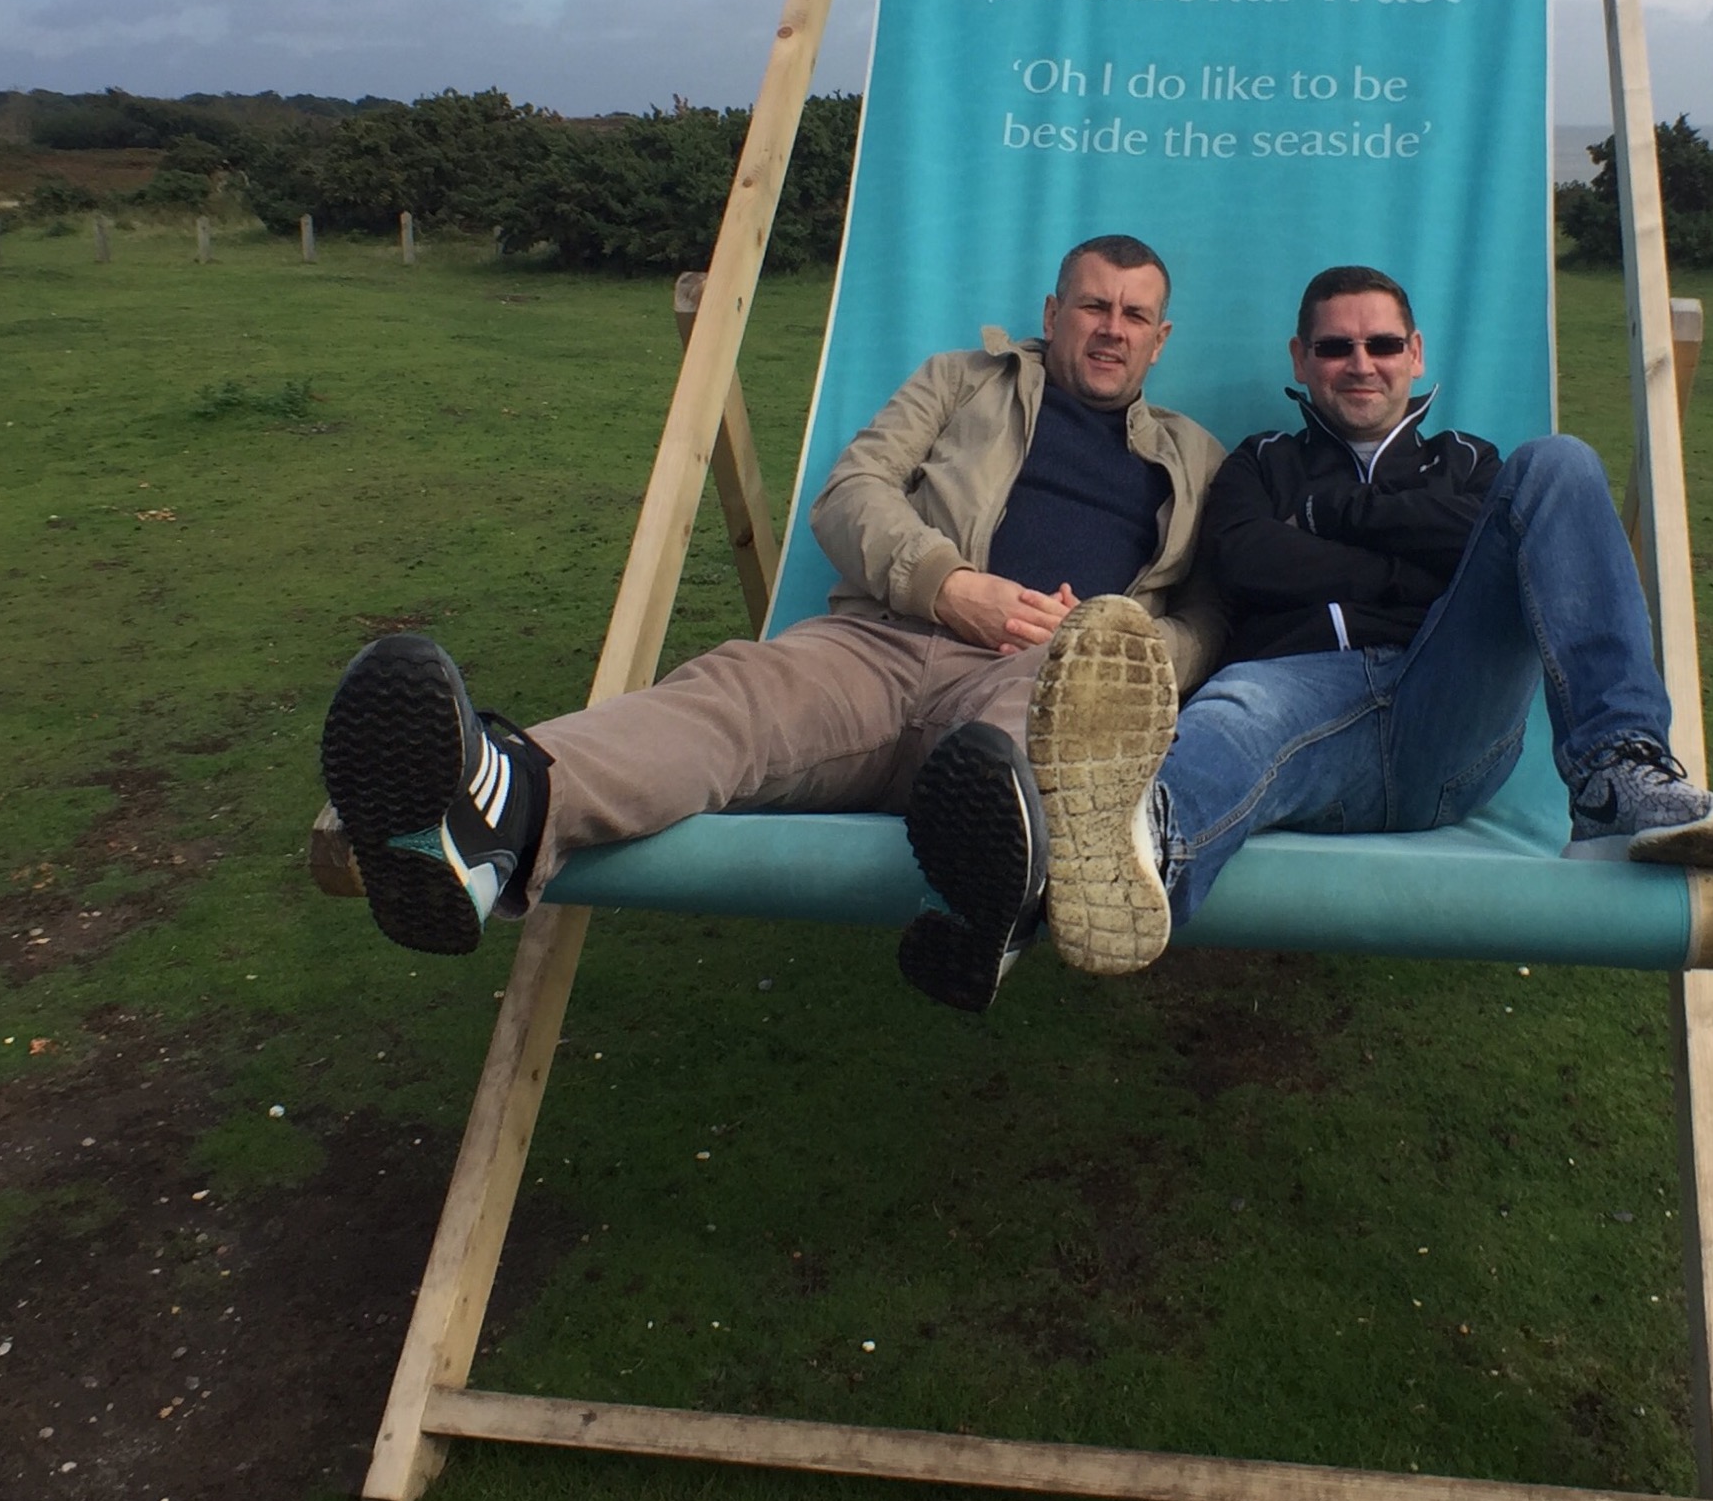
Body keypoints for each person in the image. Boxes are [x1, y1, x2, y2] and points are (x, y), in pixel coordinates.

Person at [316, 235, 1226, 1012]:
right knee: (736, 696)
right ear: (1053, 312)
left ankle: (987, 899)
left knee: (1026, 740)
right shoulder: (960, 381)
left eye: (1134, 315)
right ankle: (493, 814)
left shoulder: (1194, 458)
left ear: (1161, 340)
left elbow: (1213, 612)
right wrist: (949, 585)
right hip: (879, 643)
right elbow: (851, 493)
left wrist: (1114, 655)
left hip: (1045, 673)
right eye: (1093, 305)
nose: (1111, 328)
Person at [953, 262, 1713, 985]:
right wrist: (1413, 568)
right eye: (1335, 348)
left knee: (1562, 462)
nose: (1360, 363)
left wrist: (1324, 516)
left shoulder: (1474, 464)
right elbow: (1247, 561)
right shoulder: (1257, 462)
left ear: (1416, 354)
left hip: (1451, 707)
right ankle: (1132, 859)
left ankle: (1616, 775)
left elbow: (1487, 552)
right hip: (1298, 712)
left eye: (1382, 344)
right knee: (1239, 712)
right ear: (1301, 360)